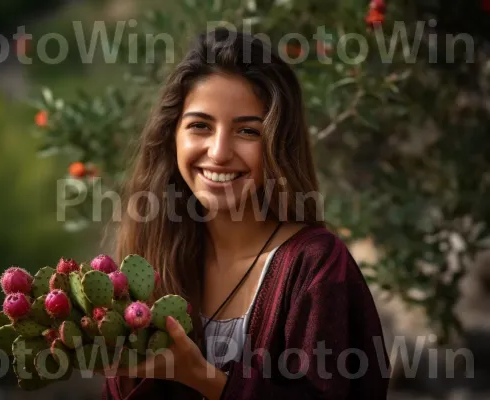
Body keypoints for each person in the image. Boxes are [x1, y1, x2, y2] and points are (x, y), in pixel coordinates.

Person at [99, 27, 390, 399]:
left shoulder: (315, 265)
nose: (219, 152)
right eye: (200, 126)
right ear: (172, 135)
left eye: (248, 132)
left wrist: (203, 378)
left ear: (277, 146)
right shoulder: (152, 256)